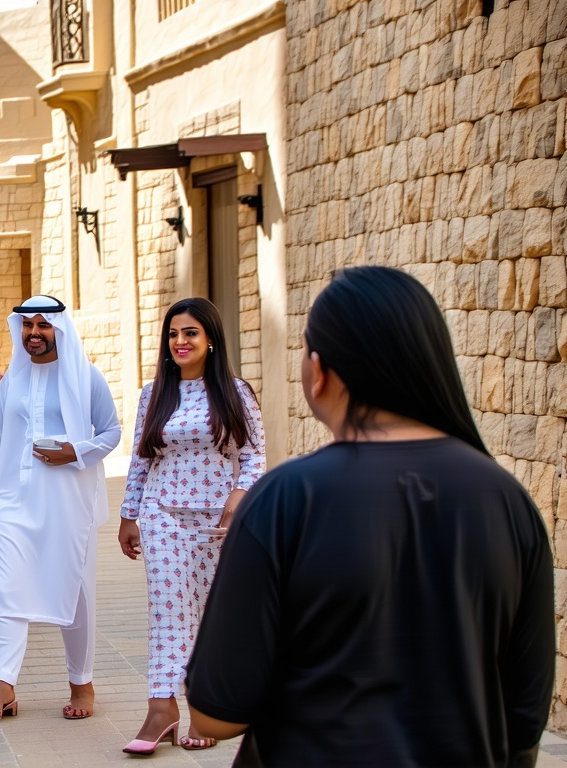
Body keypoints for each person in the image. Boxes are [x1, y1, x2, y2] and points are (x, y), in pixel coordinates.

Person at [185, 266, 554, 767]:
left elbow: (215, 715)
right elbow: (524, 721)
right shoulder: (509, 502)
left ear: (320, 372)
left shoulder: (285, 500)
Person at [116, 297, 266, 755]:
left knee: (209, 617)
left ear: (211, 340)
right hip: (162, 514)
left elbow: (255, 454)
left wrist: (238, 502)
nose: (180, 342)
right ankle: (161, 708)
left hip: (220, 522)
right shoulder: (153, 393)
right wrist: (129, 515)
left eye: (190, 333)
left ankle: (204, 709)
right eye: (173, 334)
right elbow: (142, 458)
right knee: (167, 610)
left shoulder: (236, 392)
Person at [0, 295, 122, 723]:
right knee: (1, 588)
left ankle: (81, 682)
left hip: (67, 503)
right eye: (27, 325)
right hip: (9, 500)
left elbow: (111, 431)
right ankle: (2, 685)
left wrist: (76, 451)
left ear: (60, 329)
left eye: (43, 325)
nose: (34, 333)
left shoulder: (85, 377)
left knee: (74, 591)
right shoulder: (10, 383)